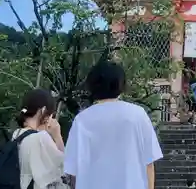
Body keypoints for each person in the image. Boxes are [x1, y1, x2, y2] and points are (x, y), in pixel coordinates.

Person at [63, 60, 163, 189]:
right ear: (121, 84)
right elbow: (149, 163)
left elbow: (73, 171)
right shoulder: (138, 115)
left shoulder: (82, 120)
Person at [13, 88, 66, 189]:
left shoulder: (17, 134)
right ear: (43, 110)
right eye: (51, 114)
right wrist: (57, 136)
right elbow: (65, 169)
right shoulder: (40, 138)